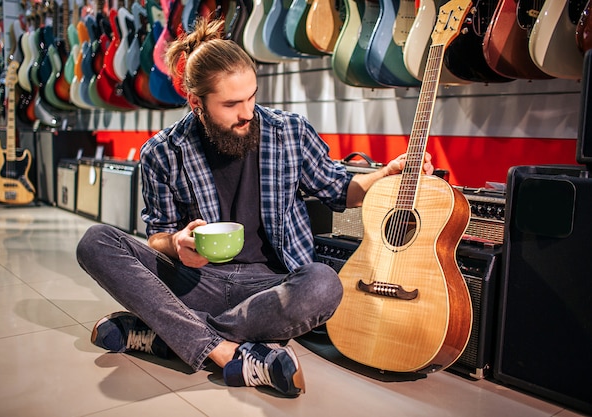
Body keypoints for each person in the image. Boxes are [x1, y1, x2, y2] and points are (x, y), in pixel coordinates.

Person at [76, 18, 434, 397]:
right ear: (197, 103)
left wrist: (387, 173)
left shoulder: (290, 132)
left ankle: (168, 335)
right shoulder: (162, 152)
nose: (247, 112)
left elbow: (342, 189)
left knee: (324, 283)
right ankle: (224, 351)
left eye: (252, 96)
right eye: (231, 104)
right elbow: (157, 236)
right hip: (197, 282)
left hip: (271, 287)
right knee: (94, 241)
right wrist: (177, 242)